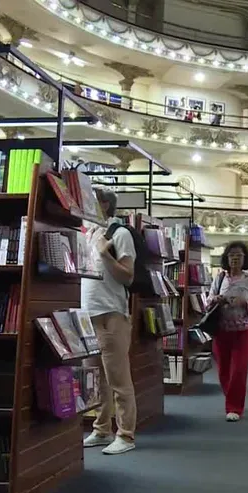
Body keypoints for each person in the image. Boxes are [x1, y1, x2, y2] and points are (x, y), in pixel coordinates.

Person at [81, 189, 137, 455]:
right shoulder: (88, 233)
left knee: (118, 379)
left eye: (90, 201)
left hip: (111, 313)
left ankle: (125, 434)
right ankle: (102, 428)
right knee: (96, 379)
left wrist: (105, 254)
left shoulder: (120, 233)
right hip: (87, 314)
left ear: (104, 205)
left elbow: (128, 276)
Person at [208, 241, 248, 422]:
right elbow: (207, 300)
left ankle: (234, 407)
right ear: (226, 258)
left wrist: (244, 303)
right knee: (224, 371)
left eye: (239, 255)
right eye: (231, 255)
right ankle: (232, 397)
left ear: (245, 258)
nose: (235, 259)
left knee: (239, 369)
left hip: (243, 331)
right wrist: (216, 299)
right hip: (221, 331)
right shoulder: (219, 278)